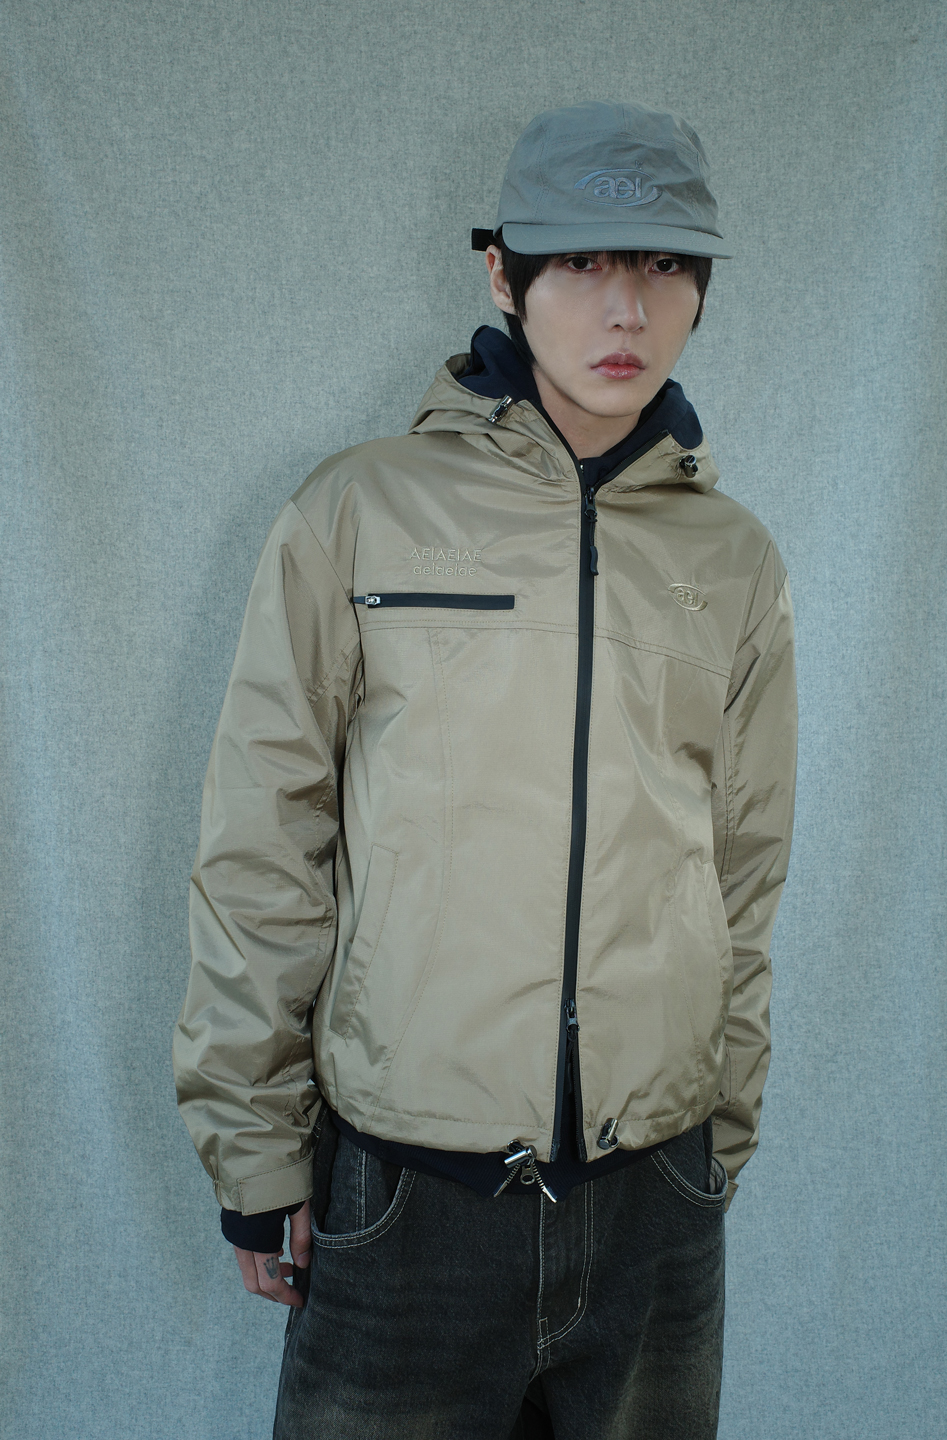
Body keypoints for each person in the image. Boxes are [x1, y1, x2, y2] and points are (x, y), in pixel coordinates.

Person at [173, 100, 797, 1440]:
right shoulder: (357, 511)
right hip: (411, 1200)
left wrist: (719, 1135)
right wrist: (256, 1142)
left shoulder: (734, 560)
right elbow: (265, 842)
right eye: (582, 261)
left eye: (665, 264)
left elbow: (743, 869)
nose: (626, 306)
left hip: (656, 1197)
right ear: (503, 272)